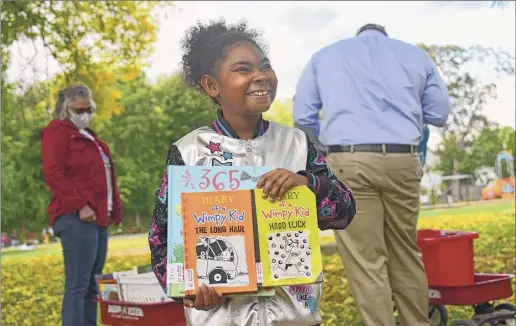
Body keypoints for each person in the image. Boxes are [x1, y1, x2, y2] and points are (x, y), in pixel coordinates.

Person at [148, 19, 356, 326]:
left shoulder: (297, 143)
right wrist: (187, 290)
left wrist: (309, 184)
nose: (260, 76)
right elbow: (161, 238)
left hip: (294, 317)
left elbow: (344, 213)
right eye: (243, 69)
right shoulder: (189, 151)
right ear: (211, 85)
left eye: (265, 66)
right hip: (221, 319)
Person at [292, 23, 451, 326]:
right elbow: (439, 114)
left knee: (366, 260)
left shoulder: (325, 56)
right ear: (384, 35)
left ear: (360, 34)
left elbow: (303, 116)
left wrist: (327, 149)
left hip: (349, 158)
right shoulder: (415, 56)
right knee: (406, 251)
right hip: (402, 159)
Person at [41, 84, 123, 326]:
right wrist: (80, 205)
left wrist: (113, 209)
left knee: (92, 285)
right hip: (76, 218)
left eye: (90, 109)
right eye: (80, 109)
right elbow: (53, 173)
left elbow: (104, 177)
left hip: (98, 218)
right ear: (65, 110)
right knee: (78, 284)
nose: (86, 114)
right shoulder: (57, 132)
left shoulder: (90, 136)